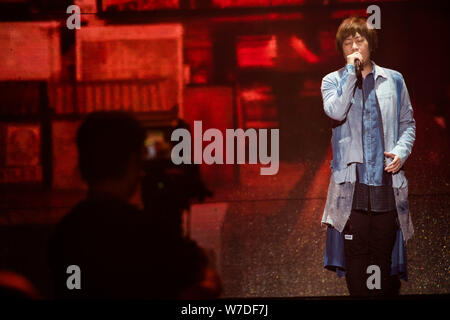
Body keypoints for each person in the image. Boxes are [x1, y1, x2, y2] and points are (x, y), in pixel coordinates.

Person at [47, 111, 221, 299]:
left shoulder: (65, 232)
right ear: (134, 162)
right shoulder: (148, 233)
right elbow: (194, 274)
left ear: (81, 165)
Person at [320, 17, 416, 297]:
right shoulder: (333, 80)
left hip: (386, 182)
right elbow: (336, 112)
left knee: (382, 256)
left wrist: (401, 152)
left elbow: (407, 123)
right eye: (347, 42)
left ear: (371, 43)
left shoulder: (394, 79)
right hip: (352, 185)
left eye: (359, 40)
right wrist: (351, 73)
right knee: (357, 256)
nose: (353, 46)